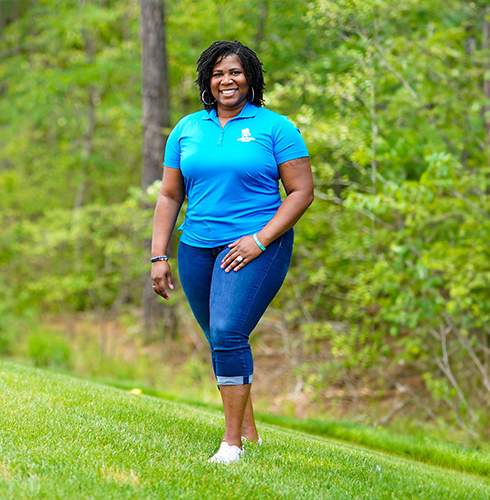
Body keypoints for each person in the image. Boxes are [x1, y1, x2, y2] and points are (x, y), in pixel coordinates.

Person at [146, 40, 315, 465]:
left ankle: (231, 445)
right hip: (196, 249)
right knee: (220, 339)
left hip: (256, 248)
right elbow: (169, 195)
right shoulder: (187, 129)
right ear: (207, 80)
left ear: (250, 78)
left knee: (227, 331)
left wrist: (259, 240)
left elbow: (301, 192)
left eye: (236, 72)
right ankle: (249, 430)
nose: (227, 80)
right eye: (219, 73)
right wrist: (158, 255)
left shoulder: (276, 127)